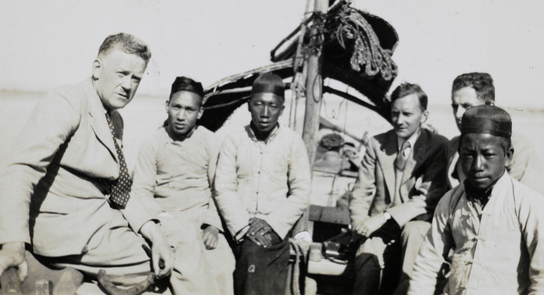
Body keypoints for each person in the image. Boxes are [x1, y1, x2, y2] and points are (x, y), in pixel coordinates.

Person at [0, 33, 210, 294]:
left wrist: (154, 234)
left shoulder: (114, 119)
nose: (128, 85)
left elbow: (119, 189)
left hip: (102, 222)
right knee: (181, 256)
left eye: (136, 78)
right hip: (69, 233)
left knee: (184, 234)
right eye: (121, 73)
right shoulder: (67, 102)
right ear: (97, 69)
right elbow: (20, 168)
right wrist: (12, 242)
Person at [408, 105, 544, 294]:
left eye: (488, 154)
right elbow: (426, 266)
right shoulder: (449, 201)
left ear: (507, 157)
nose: (477, 165)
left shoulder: (531, 204)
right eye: (468, 154)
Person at [128, 76, 234, 295]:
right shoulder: (152, 144)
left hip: (201, 219)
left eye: (189, 109)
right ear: (167, 106)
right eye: (176, 107)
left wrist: (213, 225)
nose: (181, 116)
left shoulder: (210, 141)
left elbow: (220, 189)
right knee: (188, 262)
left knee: (223, 262)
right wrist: (160, 218)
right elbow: (141, 192)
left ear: (200, 112)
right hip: (168, 219)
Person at [214, 72, 311, 295]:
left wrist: (272, 224)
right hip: (238, 227)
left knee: (256, 256)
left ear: (282, 109)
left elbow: (301, 192)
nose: (265, 113)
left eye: (272, 106)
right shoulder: (234, 140)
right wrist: (243, 226)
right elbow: (223, 188)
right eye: (259, 104)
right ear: (249, 105)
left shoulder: (292, 143)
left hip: (274, 230)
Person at [349, 82, 449, 295]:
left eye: (407, 114)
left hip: (414, 231)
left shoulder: (438, 146)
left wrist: (384, 216)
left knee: (410, 278)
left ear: (424, 115)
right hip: (378, 231)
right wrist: (360, 225)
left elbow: (427, 198)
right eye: (395, 114)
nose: (399, 120)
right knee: (366, 267)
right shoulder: (377, 144)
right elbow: (361, 192)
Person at [448, 72, 540, 189]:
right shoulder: (453, 146)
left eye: (467, 106)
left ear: (490, 106)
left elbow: (513, 197)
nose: (458, 114)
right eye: (455, 106)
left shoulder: (519, 147)